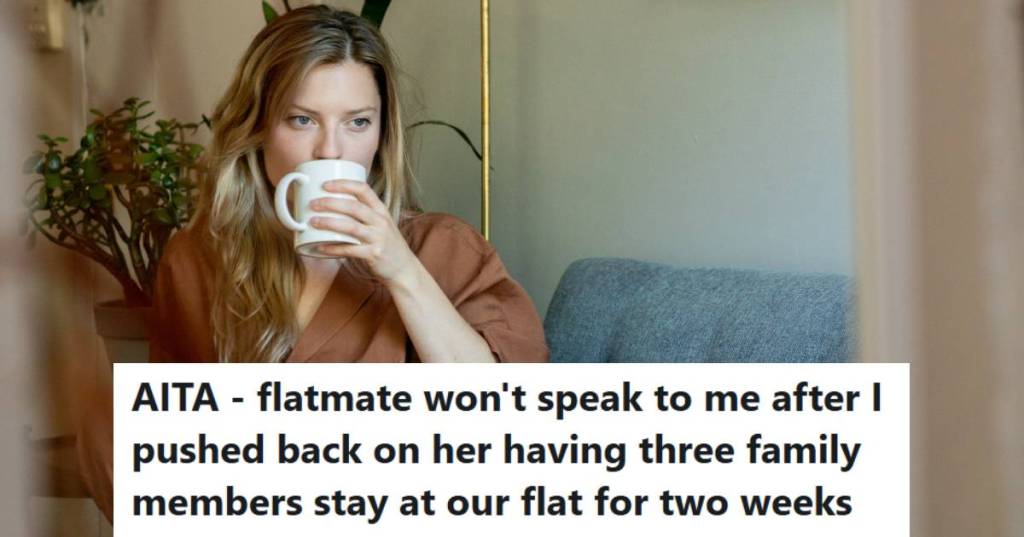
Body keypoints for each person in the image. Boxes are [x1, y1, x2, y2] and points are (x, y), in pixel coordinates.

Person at [77, 5, 548, 522]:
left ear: (381, 134)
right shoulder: (198, 260)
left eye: (357, 122)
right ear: (257, 128)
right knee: (113, 418)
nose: (330, 149)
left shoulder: (443, 247)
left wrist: (401, 269)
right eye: (301, 120)